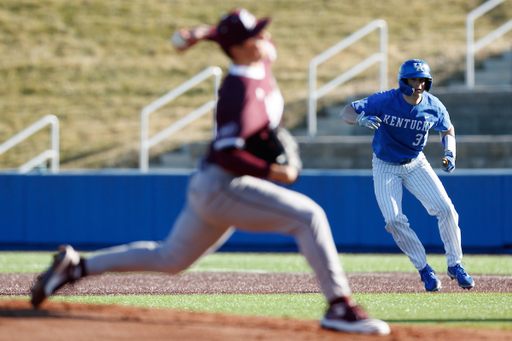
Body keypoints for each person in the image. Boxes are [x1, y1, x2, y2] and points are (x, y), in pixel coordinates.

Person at [31, 8, 390, 335]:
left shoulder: (259, 60)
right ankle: (339, 306)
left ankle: (76, 267)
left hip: (212, 186)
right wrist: (274, 172)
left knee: (170, 258)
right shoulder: (237, 92)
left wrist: (200, 35)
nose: (266, 38)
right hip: (224, 184)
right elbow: (228, 153)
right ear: (240, 48)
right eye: (257, 35)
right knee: (309, 217)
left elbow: (233, 39)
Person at [340, 59, 475, 292]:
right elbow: (347, 111)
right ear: (404, 81)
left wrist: (450, 153)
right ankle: (424, 270)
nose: (419, 84)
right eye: (414, 79)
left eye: (423, 80)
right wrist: (360, 118)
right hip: (385, 165)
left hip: (416, 163)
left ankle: (455, 264)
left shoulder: (433, 105)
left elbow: (447, 128)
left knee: (447, 209)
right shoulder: (385, 100)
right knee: (393, 220)